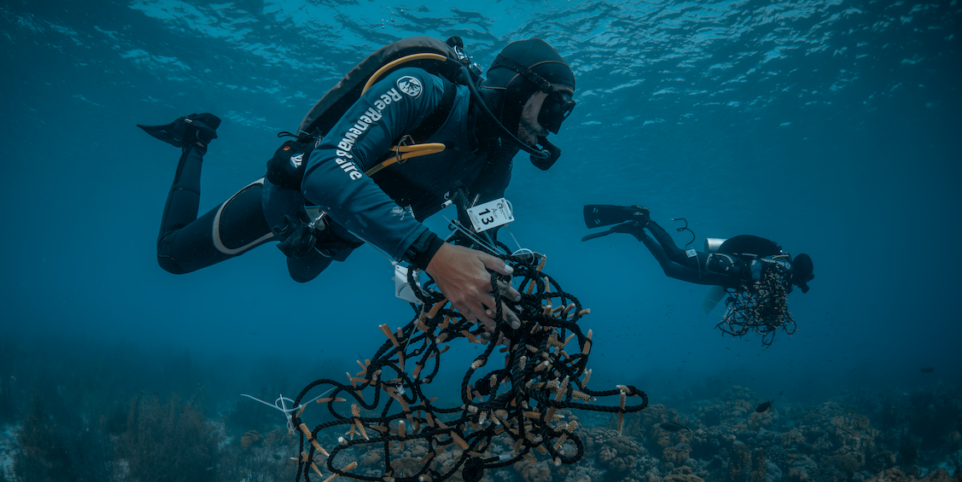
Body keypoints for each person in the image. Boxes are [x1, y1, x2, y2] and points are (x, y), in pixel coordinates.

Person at [139, 37, 577, 331]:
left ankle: (307, 239)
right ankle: (194, 138)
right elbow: (328, 165)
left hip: (343, 231)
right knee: (172, 257)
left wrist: (481, 304)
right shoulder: (421, 89)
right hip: (299, 197)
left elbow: (476, 246)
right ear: (519, 87)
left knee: (302, 273)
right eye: (554, 108)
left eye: (563, 115)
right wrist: (433, 256)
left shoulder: (495, 163)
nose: (553, 129)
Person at [581, 205, 814, 293]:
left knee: (670, 270)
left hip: (721, 279)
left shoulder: (782, 275)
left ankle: (637, 231)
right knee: (675, 254)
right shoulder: (782, 266)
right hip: (723, 265)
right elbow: (752, 261)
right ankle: (644, 219)